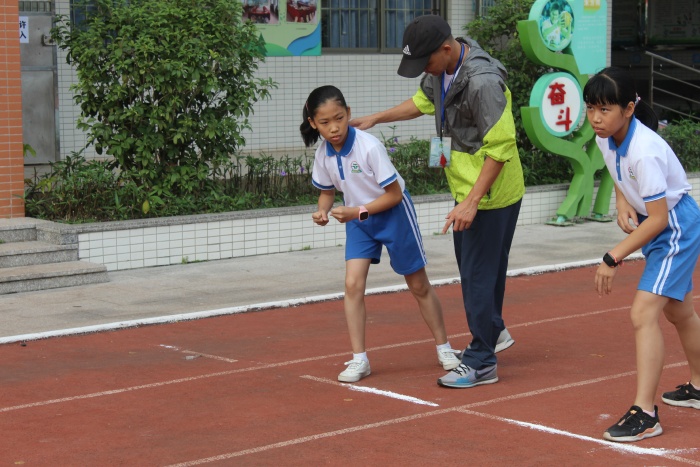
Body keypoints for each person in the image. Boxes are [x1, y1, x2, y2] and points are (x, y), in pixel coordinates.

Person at [350, 15, 524, 389]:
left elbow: (501, 146)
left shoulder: (482, 82)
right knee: (484, 272)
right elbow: (421, 102)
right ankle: (492, 331)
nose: (423, 72)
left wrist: (472, 201)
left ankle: (481, 361)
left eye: (425, 63)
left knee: (477, 277)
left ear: (446, 49)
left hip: (489, 196)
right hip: (470, 191)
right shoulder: (441, 69)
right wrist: (377, 118)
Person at [300, 85, 461, 383]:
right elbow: (326, 193)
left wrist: (356, 212)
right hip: (359, 220)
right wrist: (322, 211)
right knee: (352, 285)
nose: (334, 128)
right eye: (324, 123)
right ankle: (360, 359)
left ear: (348, 114)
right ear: (313, 123)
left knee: (417, 285)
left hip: (393, 215)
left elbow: (394, 196)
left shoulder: (369, 146)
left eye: (339, 118)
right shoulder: (322, 153)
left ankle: (445, 347)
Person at [584, 67, 700, 442]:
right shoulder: (607, 135)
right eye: (591, 108)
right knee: (677, 310)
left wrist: (612, 257)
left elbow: (660, 219)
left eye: (605, 109)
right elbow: (618, 174)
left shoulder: (645, 150)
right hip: (661, 226)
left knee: (643, 312)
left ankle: (646, 413)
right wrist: (621, 200)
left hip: (674, 229)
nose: (596, 118)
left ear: (629, 109)